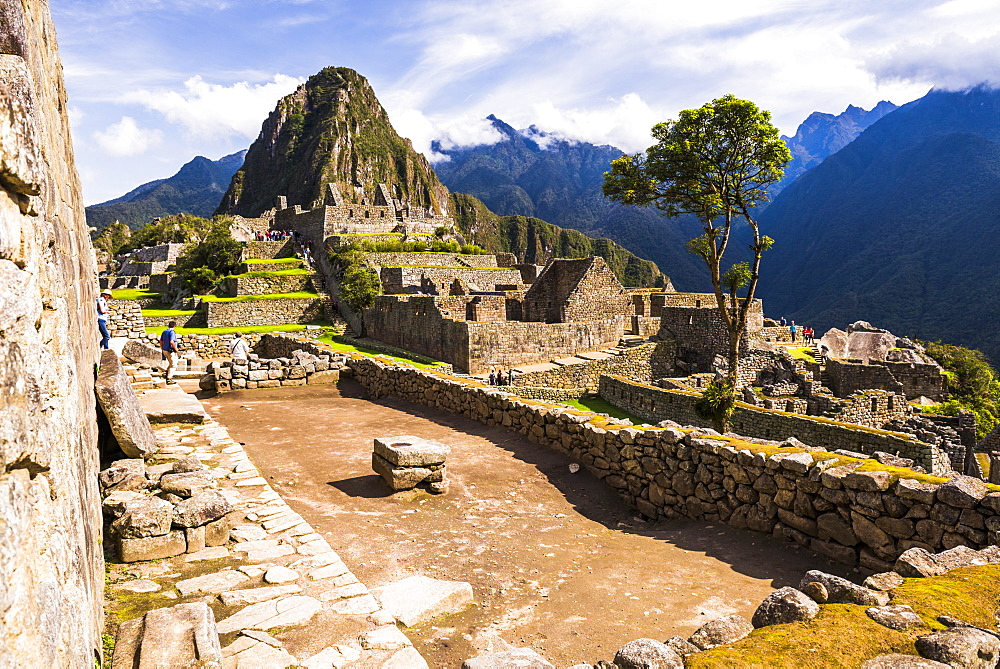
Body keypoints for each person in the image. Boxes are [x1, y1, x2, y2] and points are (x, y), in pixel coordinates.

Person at [159, 320, 179, 384]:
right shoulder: (172, 332)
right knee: (174, 365)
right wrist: (176, 349)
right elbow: (171, 341)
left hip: (165, 350)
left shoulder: (164, 331)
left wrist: (162, 348)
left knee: (171, 363)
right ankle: (169, 379)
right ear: (174, 326)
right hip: (170, 351)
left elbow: (161, 341)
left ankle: (166, 373)